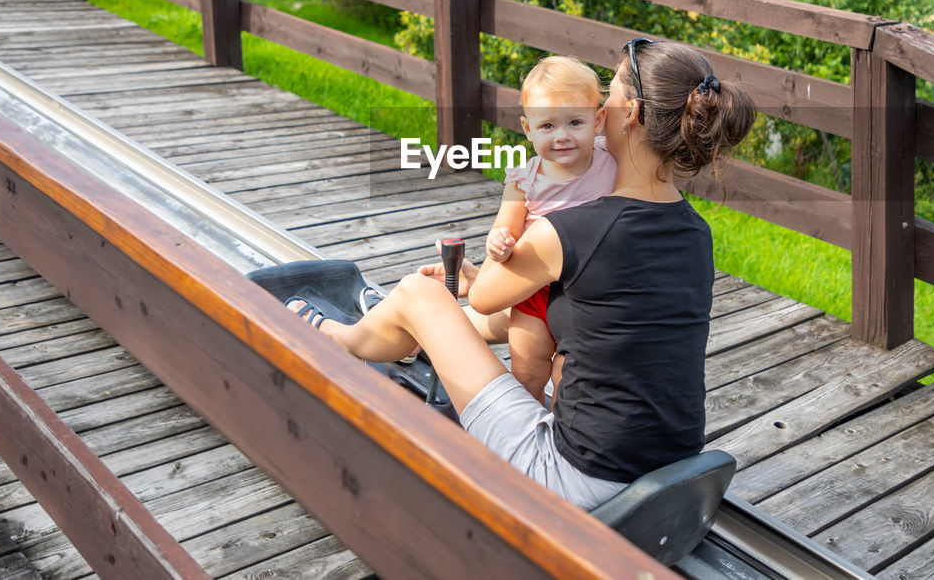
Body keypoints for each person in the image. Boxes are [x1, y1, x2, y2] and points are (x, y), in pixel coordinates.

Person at [290, 39, 755, 509]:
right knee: (522, 318)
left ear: (630, 113)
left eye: (608, 97)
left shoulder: (572, 229)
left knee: (418, 295)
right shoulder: (695, 232)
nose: (601, 108)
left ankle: (337, 341)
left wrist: (512, 224)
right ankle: (404, 333)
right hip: (668, 467)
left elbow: (489, 296)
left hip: (574, 476)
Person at [485, 55, 616, 405]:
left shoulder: (611, 160)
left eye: (575, 122)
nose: (562, 136)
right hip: (536, 291)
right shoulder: (524, 181)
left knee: (568, 380)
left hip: (586, 292)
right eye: (547, 127)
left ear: (598, 120)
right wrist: (500, 242)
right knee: (527, 370)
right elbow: (505, 226)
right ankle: (524, 426)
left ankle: (560, 435)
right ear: (528, 129)